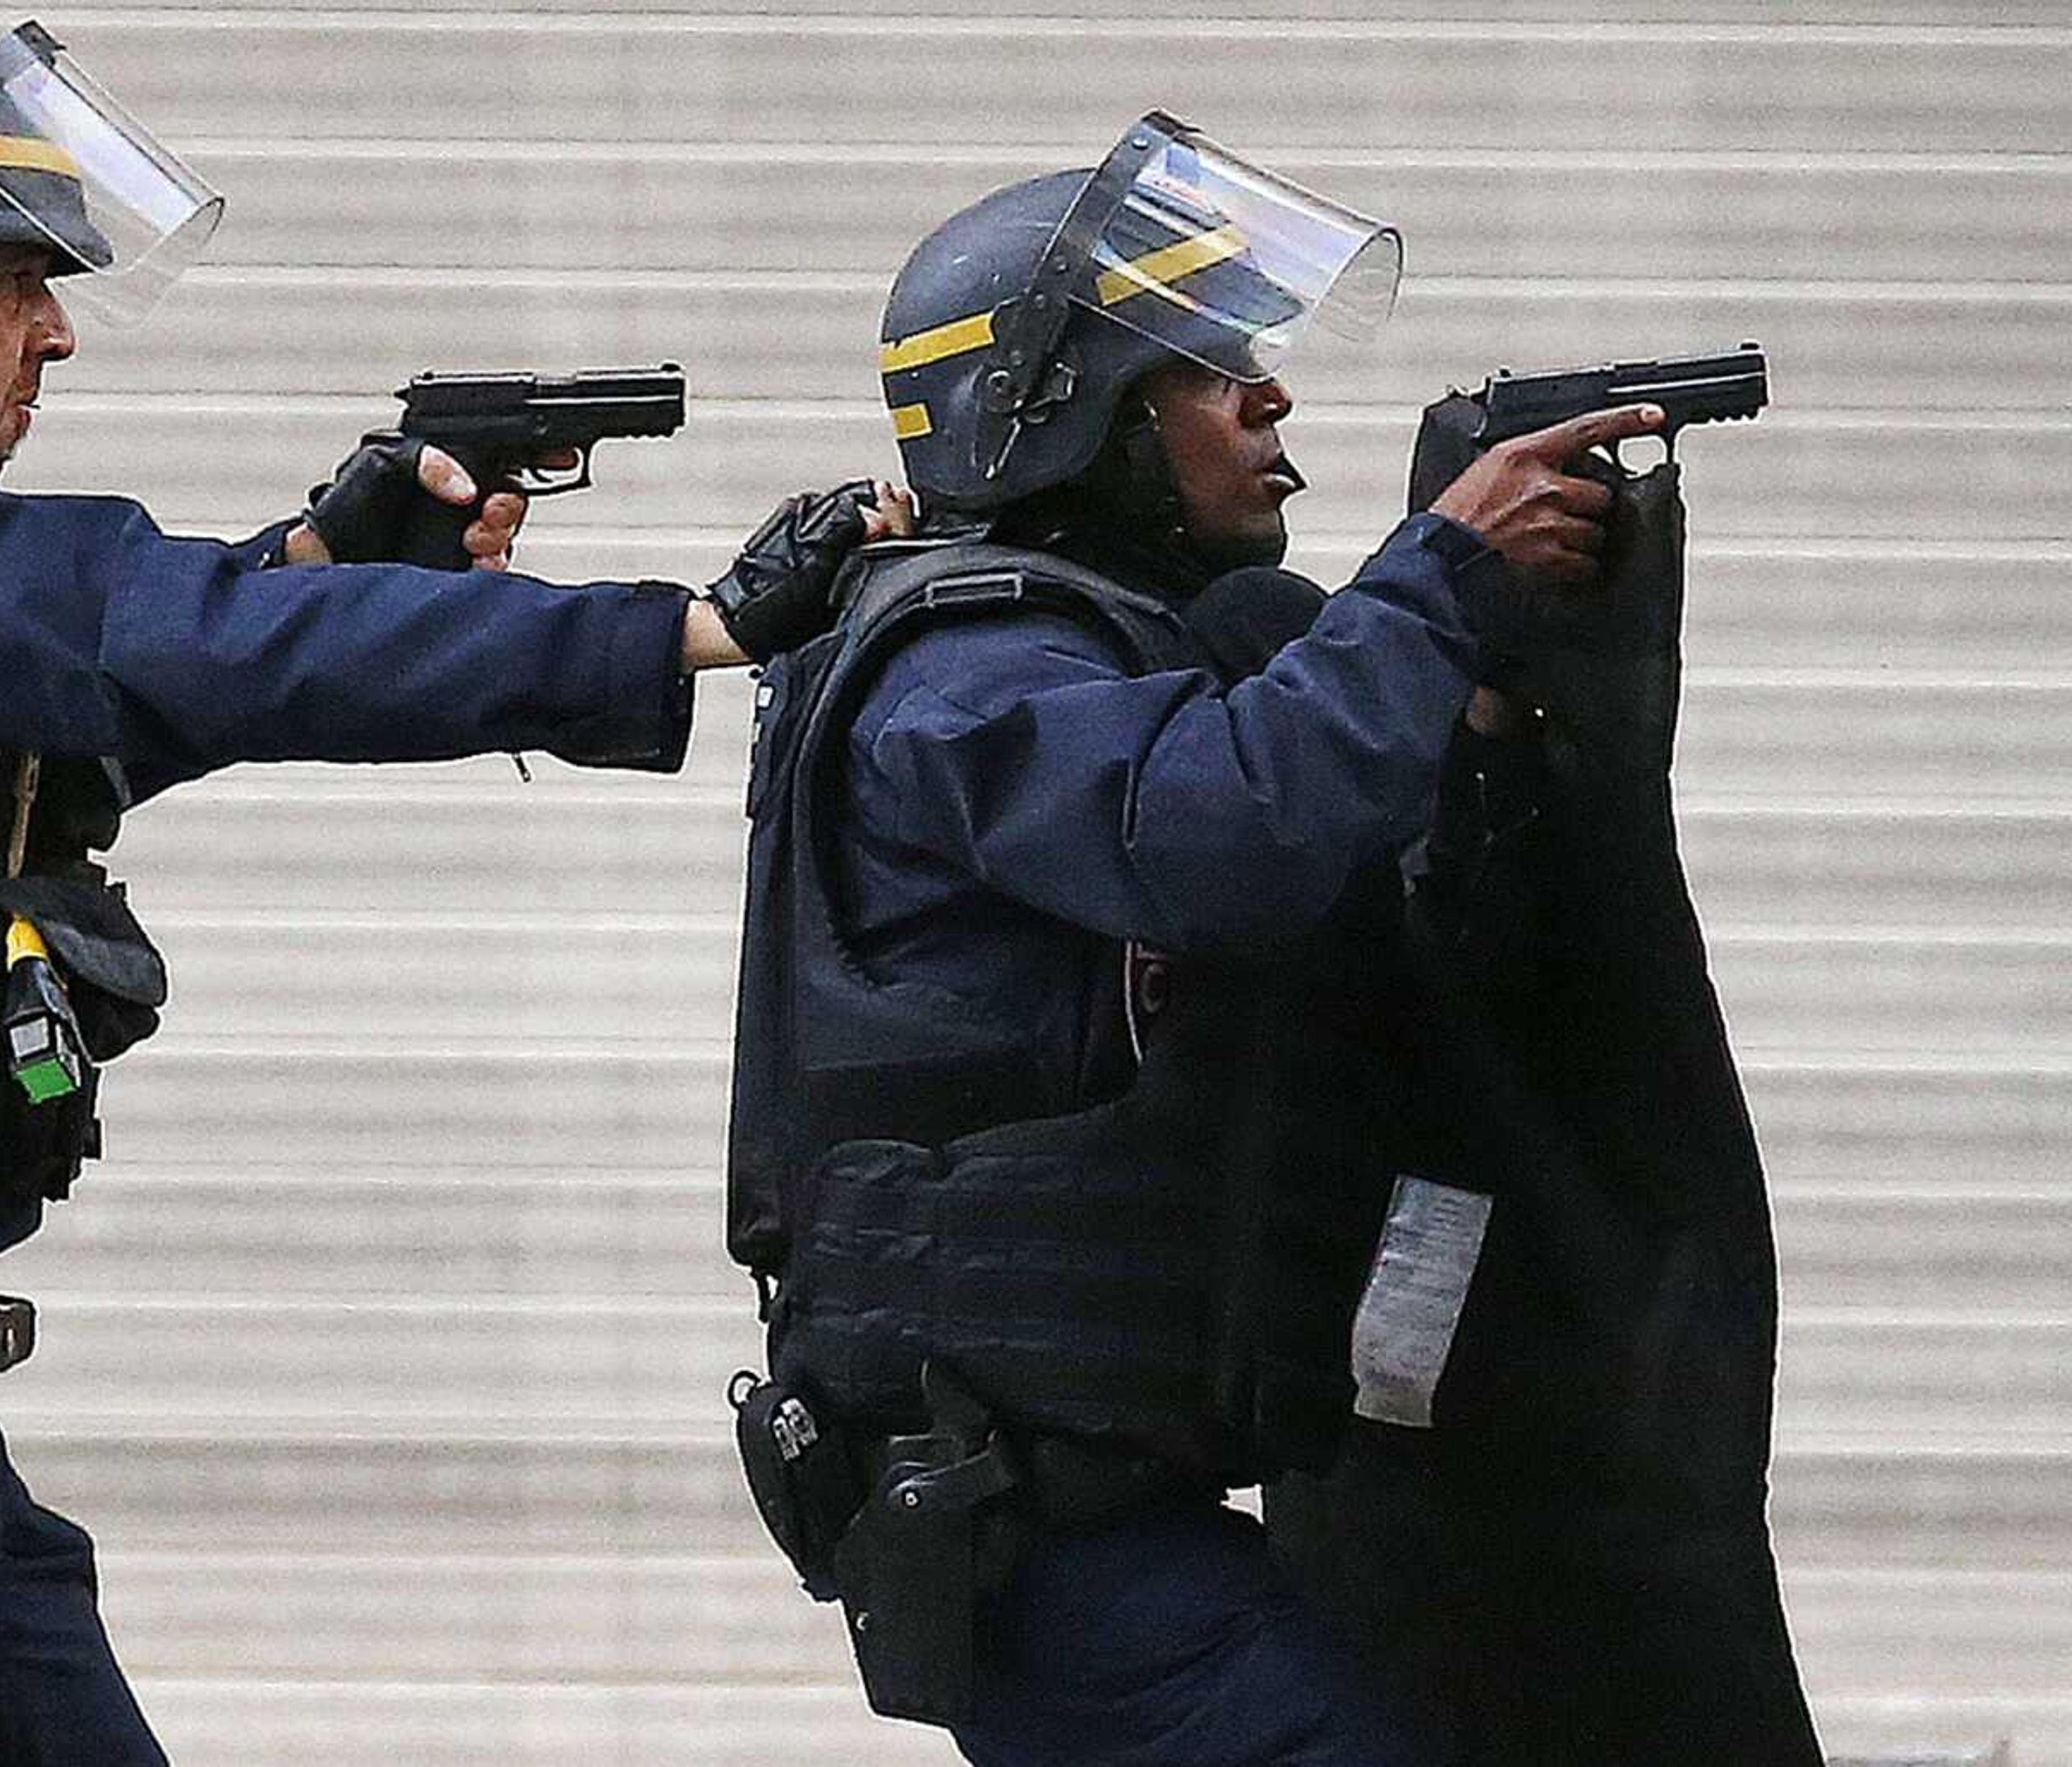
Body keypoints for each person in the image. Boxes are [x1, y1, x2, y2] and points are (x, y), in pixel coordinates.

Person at [0, 25, 883, 1765]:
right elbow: (167, 644)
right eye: (10, 287)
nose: (51, 330)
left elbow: (46, 749)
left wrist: (322, 560)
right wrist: (697, 627)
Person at [719, 110, 1815, 1766]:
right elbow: (1216, 837)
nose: (1272, 399)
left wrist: (1503, 697)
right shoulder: (961, 671)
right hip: (1048, 1545)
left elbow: (1374, 907)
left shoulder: (1132, 647)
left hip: (1126, 1511)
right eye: (1208, 368)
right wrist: (1438, 579)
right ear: (1068, 413)